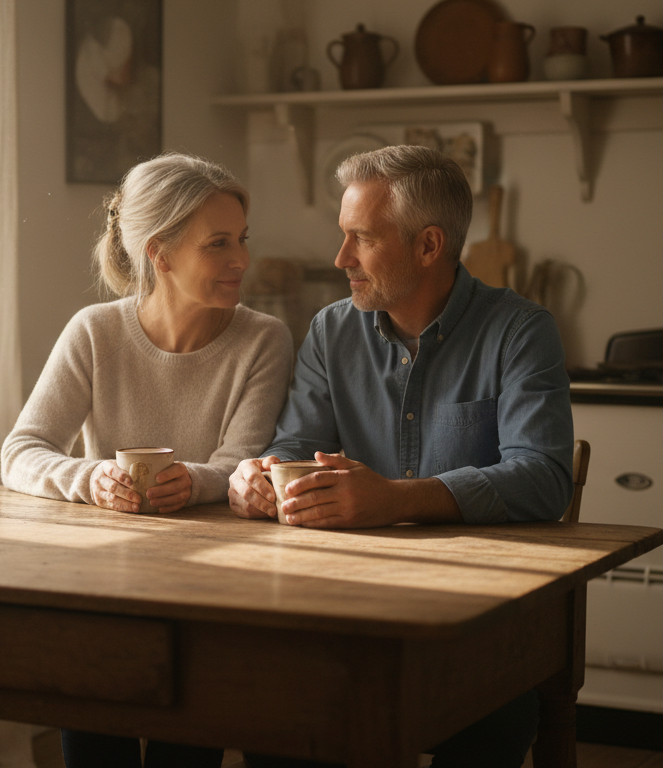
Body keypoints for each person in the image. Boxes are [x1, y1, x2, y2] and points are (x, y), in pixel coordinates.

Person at [227, 145, 574, 768]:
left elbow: (546, 477)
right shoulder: (331, 332)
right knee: (269, 712)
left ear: (428, 245)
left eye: (360, 238)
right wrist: (259, 478)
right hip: (345, 618)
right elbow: (291, 449)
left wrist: (396, 500)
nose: (340, 260)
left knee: (489, 727)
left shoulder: (521, 332)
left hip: (479, 629)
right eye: (343, 237)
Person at [1, 152, 295, 768]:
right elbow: (21, 450)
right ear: (159, 252)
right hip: (99, 597)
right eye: (218, 244)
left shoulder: (263, 338)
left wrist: (190, 482)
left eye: (241, 239)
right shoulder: (94, 332)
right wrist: (91, 477)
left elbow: (240, 460)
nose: (241, 259)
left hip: (209, 602)